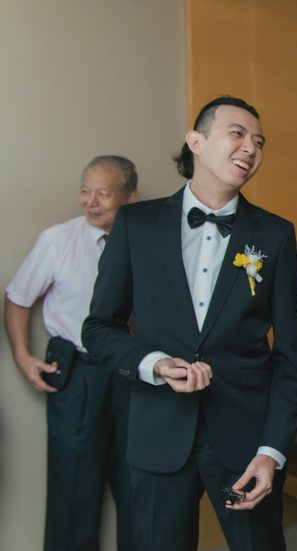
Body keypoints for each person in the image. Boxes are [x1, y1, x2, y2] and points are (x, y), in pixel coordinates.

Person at [82, 96, 297, 551]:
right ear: (196, 142)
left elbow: (290, 357)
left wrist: (272, 451)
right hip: (157, 432)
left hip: (247, 440)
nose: (251, 147)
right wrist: (154, 363)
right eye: (237, 133)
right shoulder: (136, 224)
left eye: (259, 141)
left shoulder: (275, 234)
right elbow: (99, 328)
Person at [5, 155, 138, 551]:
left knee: (139, 481)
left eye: (102, 194)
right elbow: (18, 297)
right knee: (73, 487)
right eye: (85, 191)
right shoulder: (57, 240)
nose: (90, 202)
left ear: (129, 197)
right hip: (78, 371)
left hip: (133, 371)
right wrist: (21, 355)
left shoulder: (148, 240)